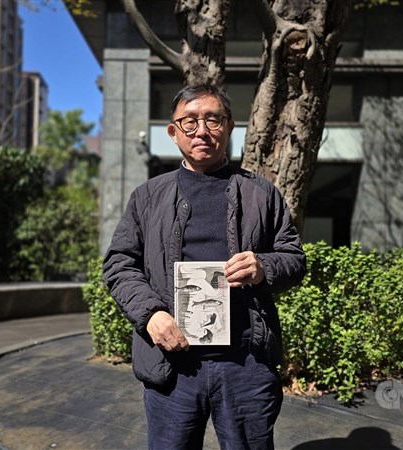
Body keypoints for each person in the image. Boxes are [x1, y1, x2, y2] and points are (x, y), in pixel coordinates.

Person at [103, 84, 305, 450]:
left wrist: (263, 266)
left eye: (213, 119)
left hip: (246, 364)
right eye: (190, 121)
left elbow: (294, 259)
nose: (202, 130)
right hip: (172, 365)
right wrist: (151, 315)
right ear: (173, 131)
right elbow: (119, 264)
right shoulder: (148, 198)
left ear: (228, 127)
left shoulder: (261, 194)